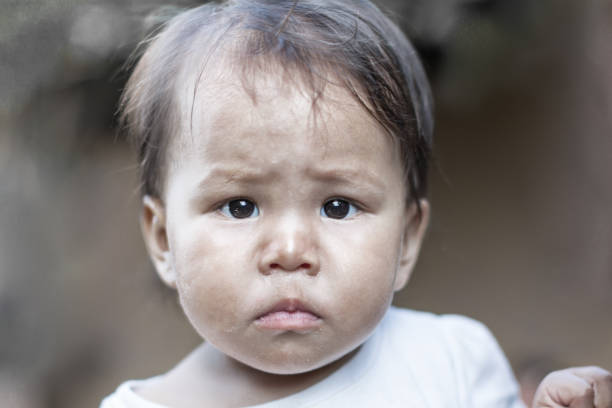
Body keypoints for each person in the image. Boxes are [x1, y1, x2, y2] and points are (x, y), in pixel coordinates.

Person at [101, 0, 612, 406]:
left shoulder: (448, 362)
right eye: (239, 206)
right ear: (164, 239)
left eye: (338, 206)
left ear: (408, 239)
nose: (290, 249)